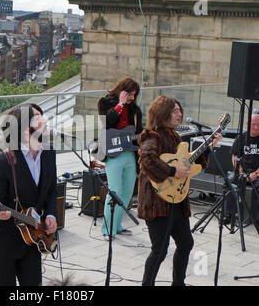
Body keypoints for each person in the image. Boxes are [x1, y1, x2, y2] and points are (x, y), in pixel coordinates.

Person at [137, 95, 221, 286]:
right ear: (163, 113)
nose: (179, 114)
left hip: (177, 200)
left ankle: (178, 283)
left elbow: (188, 163)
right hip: (157, 202)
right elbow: (147, 160)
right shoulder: (151, 136)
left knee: (186, 243)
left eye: (179, 110)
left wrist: (207, 148)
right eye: (175, 110)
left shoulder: (175, 136)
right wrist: (173, 171)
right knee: (160, 249)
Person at [0, 103, 57, 286]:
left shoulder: (49, 153)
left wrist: (50, 214)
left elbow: (51, 190)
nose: (45, 121)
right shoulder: (2, 162)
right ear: (25, 130)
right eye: (38, 119)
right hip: (4, 241)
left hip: (33, 238)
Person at [97, 77, 143, 240]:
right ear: (122, 91)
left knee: (127, 192)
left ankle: (117, 225)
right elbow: (106, 122)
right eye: (129, 94)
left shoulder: (135, 110)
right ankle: (107, 229)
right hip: (113, 153)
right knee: (115, 191)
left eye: (134, 95)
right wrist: (120, 104)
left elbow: (139, 132)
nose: (131, 98)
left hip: (129, 153)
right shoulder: (105, 103)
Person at [223, 113, 259, 225]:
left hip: (257, 172)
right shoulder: (241, 137)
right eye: (253, 124)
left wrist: (256, 174)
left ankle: (256, 218)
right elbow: (234, 157)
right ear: (248, 124)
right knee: (229, 182)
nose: (256, 127)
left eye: (258, 124)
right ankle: (229, 214)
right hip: (242, 170)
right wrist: (242, 172)